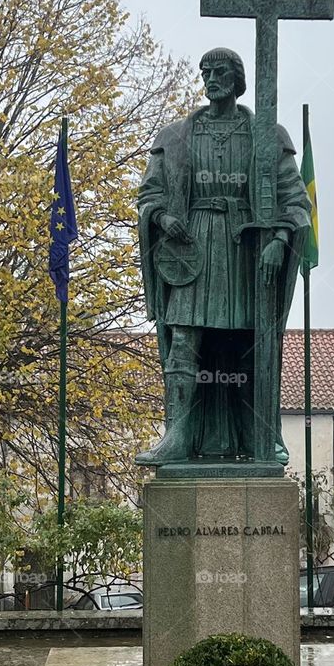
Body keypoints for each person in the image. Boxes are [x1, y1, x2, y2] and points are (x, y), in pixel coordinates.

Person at [136, 47, 310, 465]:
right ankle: (177, 435)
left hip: (245, 252)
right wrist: (161, 216)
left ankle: (259, 435)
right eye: (204, 72)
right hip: (192, 248)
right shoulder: (175, 137)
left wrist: (279, 239)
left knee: (250, 344)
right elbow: (149, 193)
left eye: (218, 72)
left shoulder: (267, 136)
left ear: (237, 78)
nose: (210, 79)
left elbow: (295, 199)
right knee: (184, 339)